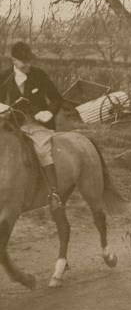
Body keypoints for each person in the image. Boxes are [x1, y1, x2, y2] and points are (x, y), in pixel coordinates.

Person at [0, 42, 64, 211]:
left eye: (29, 60)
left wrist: (48, 113)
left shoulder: (39, 75)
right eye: (23, 61)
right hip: (14, 123)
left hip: (37, 123)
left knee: (42, 151)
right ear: (13, 60)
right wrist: (3, 109)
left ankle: (54, 193)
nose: (27, 64)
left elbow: (57, 98)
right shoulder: (5, 76)